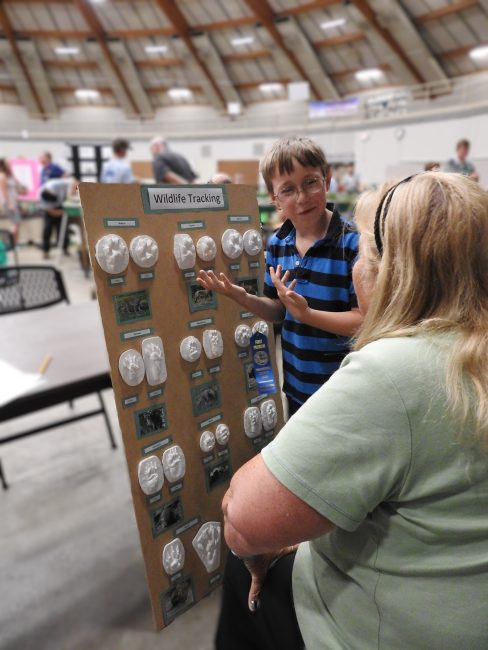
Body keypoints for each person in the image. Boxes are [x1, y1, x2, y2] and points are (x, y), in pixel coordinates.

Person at [217, 172, 488, 650]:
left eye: (364, 252)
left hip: (394, 630)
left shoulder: (398, 372)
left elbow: (244, 520)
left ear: (392, 271)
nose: (356, 266)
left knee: (243, 571)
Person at [198, 135, 361, 416]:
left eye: (310, 182)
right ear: (275, 199)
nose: (302, 197)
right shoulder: (278, 244)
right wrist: (240, 296)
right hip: (297, 387)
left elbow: (362, 322)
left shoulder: (353, 244)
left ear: (327, 179)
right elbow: (276, 312)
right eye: (288, 189)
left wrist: (307, 314)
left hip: (344, 393)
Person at [39, 177, 78, 259]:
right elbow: (51, 212)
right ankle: (45, 251)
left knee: (63, 230)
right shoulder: (43, 201)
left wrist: (74, 191)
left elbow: (74, 181)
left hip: (60, 207)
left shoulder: (54, 185)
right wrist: (64, 212)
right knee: (47, 230)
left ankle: (65, 249)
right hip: (52, 212)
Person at [0, 158, 26, 243]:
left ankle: (15, 242)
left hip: (14, 201)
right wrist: (9, 204)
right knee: (15, 223)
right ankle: (12, 243)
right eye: (8, 164)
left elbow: (17, 185)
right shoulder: (2, 176)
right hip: (9, 203)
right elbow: (4, 191)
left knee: (17, 223)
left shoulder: (9, 175)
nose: (10, 165)